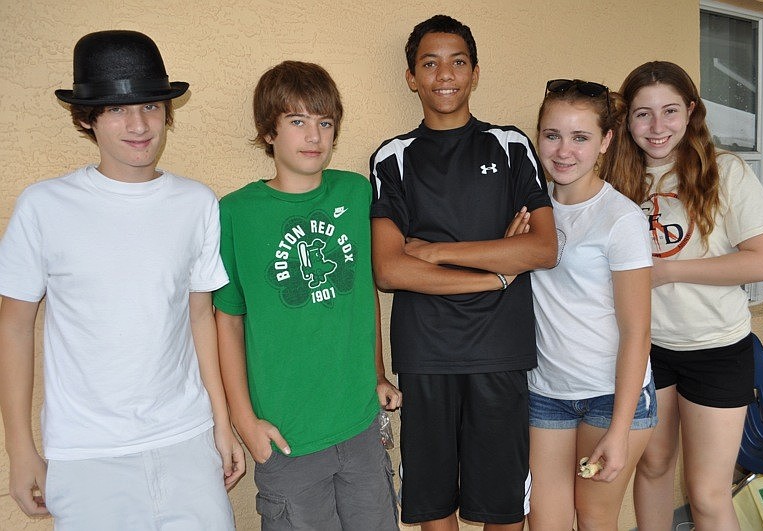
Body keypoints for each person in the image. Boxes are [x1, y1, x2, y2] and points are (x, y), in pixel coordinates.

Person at [0, 30, 243, 530]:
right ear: (87, 118)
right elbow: (15, 326)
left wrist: (221, 423)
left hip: (186, 440)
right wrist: (20, 450)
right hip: (86, 454)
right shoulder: (43, 206)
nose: (138, 124)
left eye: (151, 105)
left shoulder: (196, 203)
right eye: (116, 110)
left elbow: (201, 318)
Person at [370, 15, 557, 531]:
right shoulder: (393, 157)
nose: (444, 74)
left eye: (457, 62)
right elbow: (388, 269)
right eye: (429, 63)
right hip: (426, 352)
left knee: (502, 505)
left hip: (501, 348)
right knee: (434, 506)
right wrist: (496, 268)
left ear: (475, 73)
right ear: (412, 77)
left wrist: (431, 253)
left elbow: (543, 249)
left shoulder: (510, 144)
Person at [213, 60, 402, 531]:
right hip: (286, 437)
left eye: (324, 122)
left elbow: (364, 295)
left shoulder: (356, 192)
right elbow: (227, 320)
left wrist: (378, 376)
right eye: (297, 121)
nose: (313, 135)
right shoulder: (235, 213)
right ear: (268, 131)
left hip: (358, 424)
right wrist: (244, 419)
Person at [604, 61, 763, 531]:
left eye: (669, 111)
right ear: (626, 120)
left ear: (692, 111)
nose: (657, 127)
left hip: (717, 349)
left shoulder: (726, 171)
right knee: (653, 467)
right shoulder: (616, 177)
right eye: (643, 114)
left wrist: (669, 273)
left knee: (706, 495)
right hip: (646, 351)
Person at [526, 79, 655, 531]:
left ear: (605, 142)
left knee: (596, 520)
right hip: (547, 393)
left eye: (580, 137)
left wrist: (620, 431)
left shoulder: (621, 219)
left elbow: (638, 332)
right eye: (552, 135)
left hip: (612, 398)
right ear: (537, 135)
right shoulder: (531, 208)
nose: (564, 151)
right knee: (546, 521)